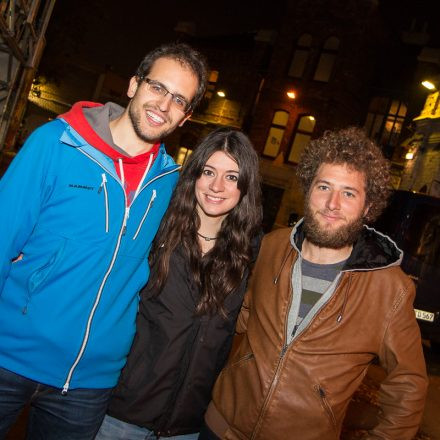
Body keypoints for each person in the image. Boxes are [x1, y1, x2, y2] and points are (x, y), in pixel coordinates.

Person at [0, 42, 208, 439]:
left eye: (179, 100)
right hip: (9, 354)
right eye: (157, 87)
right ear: (133, 85)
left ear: (186, 117)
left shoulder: (170, 185)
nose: (163, 105)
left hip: (89, 383)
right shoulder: (57, 143)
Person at [202, 127, 428, 440]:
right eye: (324, 187)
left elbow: (409, 384)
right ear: (308, 190)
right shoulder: (272, 246)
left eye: (348, 193)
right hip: (221, 427)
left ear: (367, 207)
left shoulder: (389, 289)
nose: (333, 203)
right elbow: (239, 318)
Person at [95, 127, 263, 440]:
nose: (216, 186)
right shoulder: (157, 229)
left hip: (186, 428)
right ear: (194, 175)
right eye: (209, 171)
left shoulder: (250, 254)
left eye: (231, 176)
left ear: (245, 186)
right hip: (122, 416)